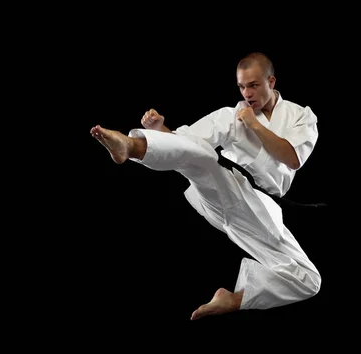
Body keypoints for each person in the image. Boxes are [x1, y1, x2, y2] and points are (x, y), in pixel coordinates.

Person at [90, 52, 322, 321]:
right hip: (226, 188)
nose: (246, 93)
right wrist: (161, 129)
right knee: (203, 157)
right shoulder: (230, 115)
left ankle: (234, 299)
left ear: (271, 81)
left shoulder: (301, 116)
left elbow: (292, 158)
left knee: (309, 280)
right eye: (241, 86)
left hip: (261, 211)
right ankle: (131, 146)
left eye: (253, 85)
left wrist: (254, 124)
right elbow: (187, 143)